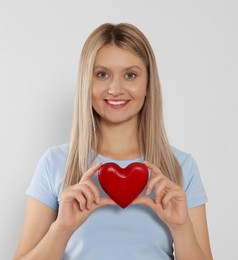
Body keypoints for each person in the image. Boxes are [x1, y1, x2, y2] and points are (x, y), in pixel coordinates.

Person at [14, 23, 213, 260]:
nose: (115, 89)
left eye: (130, 75)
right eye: (102, 74)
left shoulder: (181, 166)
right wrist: (62, 228)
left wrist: (181, 228)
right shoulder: (54, 163)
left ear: (148, 84)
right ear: (87, 82)